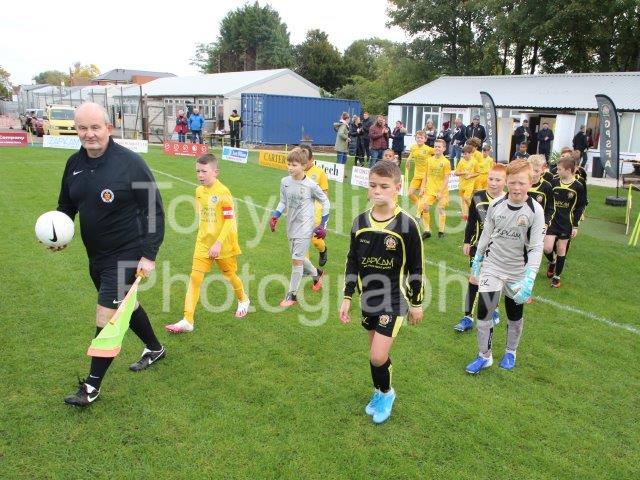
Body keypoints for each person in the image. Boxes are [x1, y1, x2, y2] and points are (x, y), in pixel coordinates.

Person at [55, 103, 165, 406]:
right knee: (126, 306)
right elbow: (66, 207)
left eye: (95, 127)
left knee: (106, 313)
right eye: (82, 128)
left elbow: (153, 210)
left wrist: (149, 255)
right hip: (97, 256)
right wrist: (59, 232)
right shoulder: (73, 164)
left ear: (109, 128)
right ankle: (155, 348)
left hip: (127, 252)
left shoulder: (130, 163)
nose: (89, 134)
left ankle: (91, 387)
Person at [339, 160, 424, 424]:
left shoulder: (407, 224)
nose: (377, 191)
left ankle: (387, 394)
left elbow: (416, 267)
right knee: (375, 355)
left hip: (394, 299)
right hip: (369, 298)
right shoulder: (359, 222)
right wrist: (347, 296)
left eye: (384, 186)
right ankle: (378, 391)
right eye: (373, 185)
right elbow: (352, 261)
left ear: (398, 188)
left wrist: (417, 303)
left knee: (378, 356)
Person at [465, 159, 545, 374]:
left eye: (521, 183)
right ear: (507, 181)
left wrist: (529, 278)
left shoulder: (535, 210)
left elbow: (536, 248)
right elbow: (486, 233)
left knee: (514, 314)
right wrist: (477, 260)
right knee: (484, 313)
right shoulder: (496, 204)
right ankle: (484, 356)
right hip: (492, 266)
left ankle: (511, 351)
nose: (516, 188)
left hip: (518, 271)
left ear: (530, 183)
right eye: (512, 182)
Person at [165, 154, 250, 334]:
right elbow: (203, 217)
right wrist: (205, 237)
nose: (200, 175)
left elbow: (229, 221)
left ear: (215, 172)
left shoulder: (223, 192)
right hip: (203, 243)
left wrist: (218, 243)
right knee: (195, 278)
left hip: (223, 244)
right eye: (198, 171)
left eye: (204, 171)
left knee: (229, 275)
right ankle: (188, 320)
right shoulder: (198, 191)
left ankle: (243, 299)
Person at [269, 148, 330, 307]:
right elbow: (283, 201)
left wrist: (323, 225)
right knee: (299, 257)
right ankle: (317, 274)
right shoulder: (285, 182)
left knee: (296, 261)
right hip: (291, 225)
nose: (290, 167)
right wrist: (275, 215)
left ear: (304, 166)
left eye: (294, 165)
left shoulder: (311, 185)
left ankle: (292, 295)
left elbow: (326, 202)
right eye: (288, 164)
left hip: (305, 227)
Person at [454, 163, 507, 332]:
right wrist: (466, 241)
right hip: (478, 247)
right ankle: (467, 317)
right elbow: (471, 221)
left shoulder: (508, 201)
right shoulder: (478, 197)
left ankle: (494, 308)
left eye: (498, 180)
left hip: (500, 250)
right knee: (474, 279)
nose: (493, 183)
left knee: (494, 281)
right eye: (491, 179)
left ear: (505, 181)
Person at [543, 154, 587, 288]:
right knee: (547, 248)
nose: (557, 171)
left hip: (566, 223)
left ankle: (557, 277)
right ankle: (552, 262)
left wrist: (575, 226)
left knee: (561, 249)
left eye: (559, 169)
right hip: (552, 221)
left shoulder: (578, 186)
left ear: (568, 170)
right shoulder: (554, 182)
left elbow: (580, 207)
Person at [300, 144, 330, 267]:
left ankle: (323, 250)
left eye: (305, 160)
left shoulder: (319, 172)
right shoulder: (297, 171)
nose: (303, 162)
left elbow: (324, 195)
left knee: (316, 241)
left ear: (312, 159)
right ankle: (305, 269)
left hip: (316, 211)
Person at [418, 138, 451, 239]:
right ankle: (427, 230)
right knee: (425, 207)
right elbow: (425, 174)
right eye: (435, 146)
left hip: (442, 190)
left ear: (444, 148)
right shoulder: (429, 160)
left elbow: (446, 178)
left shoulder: (446, 162)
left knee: (441, 209)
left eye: (439, 147)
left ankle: (441, 231)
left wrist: (440, 192)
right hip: (430, 189)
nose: (437, 148)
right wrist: (422, 187)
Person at [405, 130, 435, 209]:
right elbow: (411, 154)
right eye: (418, 137)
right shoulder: (413, 147)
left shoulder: (428, 149)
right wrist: (408, 161)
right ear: (415, 138)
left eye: (421, 138)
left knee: (422, 195)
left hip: (426, 176)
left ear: (425, 139)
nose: (419, 139)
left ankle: (421, 211)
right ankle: (420, 206)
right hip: (417, 175)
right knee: (410, 194)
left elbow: (438, 153)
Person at [527, 154, 555, 227]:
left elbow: (550, 208)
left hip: (538, 224)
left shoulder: (547, 186)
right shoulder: (521, 183)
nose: (533, 174)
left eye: (536, 171)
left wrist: (546, 223)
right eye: (531, 170)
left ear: (542, 170)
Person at [455, 145, 480, 220]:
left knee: (466, 198)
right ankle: (465, 214)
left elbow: (478, 173)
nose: (464, 155)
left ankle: (473, 210)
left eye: (465, 154)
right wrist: (463, 173)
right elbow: (456, 173)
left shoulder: (474, 162)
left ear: (470, 153)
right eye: (463, 154)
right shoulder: (461, 161)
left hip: (469, 184)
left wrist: (470, 176)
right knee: (462, 200)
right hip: (461, 184)